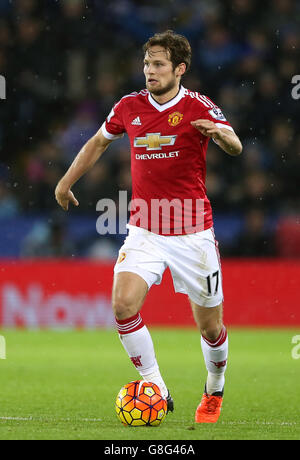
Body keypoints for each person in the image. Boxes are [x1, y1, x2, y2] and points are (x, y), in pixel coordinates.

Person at [55, 30, 242, 423]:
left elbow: (235, 146)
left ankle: (215, 385)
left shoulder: (198, 106)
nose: (149, 71)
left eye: (158, 64)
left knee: (211, 327)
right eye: (146, 64)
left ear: (179, 69)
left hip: (193, 233)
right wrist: (65, 181)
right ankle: (156, 386)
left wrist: (221, 135)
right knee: (122, 305)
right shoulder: (128, 106)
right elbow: (97, 143)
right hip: (146, 228)